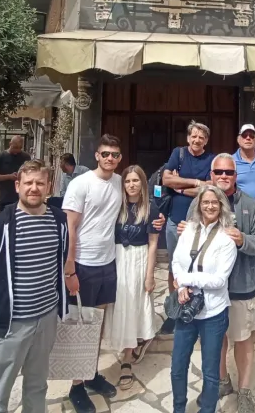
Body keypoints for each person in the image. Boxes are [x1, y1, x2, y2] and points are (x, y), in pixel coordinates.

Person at [0, 159, 69, 413]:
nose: (34, 188)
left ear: (49, 187)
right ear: (17, 186)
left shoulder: (59, 220)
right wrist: (0, 299)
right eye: (28, 183)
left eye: (40, 183)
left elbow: (59, 261)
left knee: (37, 385)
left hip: (46, 319)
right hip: (11, 323)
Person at [176, 154, 255, 413]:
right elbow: (185, 244)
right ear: (212, 174)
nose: (223, 177)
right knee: (214, 341)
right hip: (207, 291)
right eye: (218, 172)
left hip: (240, 287)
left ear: (235, 175)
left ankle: (244, 390)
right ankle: (222, 381)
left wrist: (243, 240)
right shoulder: (198, 204)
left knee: (242, 338)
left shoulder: (250, 205)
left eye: (229, 172)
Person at [62, 134, 124, 413]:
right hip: (84, 264)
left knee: (96, 324)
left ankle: (89, 374)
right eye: (105, 154)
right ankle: (76, 386)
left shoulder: (120, 183)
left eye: (115, 154)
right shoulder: (81, 184)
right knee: (82, 326)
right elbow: (70, 228)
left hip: (107, 262)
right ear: (97, 156)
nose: (110, 158)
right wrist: (69, 266)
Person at [170, 185, 238, 413]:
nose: (210, 206)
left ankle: (207, 409)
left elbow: (219, 280)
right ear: (199, 205)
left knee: (210, 370)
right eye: (205, 202)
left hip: (213, 312)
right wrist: (181, 285)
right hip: (186, 306)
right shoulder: (188, 230)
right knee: (178, 366)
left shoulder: (226, 237)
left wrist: (185, 279)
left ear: (221, 206)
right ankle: (178, 408)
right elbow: (177, 261)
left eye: (215, 202)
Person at [103, 165, 160, 389]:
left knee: (134, 304)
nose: (131, 185)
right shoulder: (117, 205)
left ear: (142, 183)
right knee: (120, 306)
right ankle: (132, 340)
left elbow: (153, 244)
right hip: (117, 258)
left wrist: (149, 275)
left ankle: (126, 360)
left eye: (136, 180)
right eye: (127, 181)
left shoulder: (150, 208)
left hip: (138, 258)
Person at [160, 120, 215, 334]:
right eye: (194, 136)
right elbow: (166, 179)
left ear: (206, 141)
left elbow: (210, 188)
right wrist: (195, 183)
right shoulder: (179, 153)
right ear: (188, 137)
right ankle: (174, 312)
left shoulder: (210, 159)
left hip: (199, 225)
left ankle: (197, 310)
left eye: (201, 137)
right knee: (175, 268)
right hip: (175, 221)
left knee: (200, 267)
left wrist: (180, 185)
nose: (197, 140)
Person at [0, 135, 31, 211]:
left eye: (19, 148)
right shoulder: (1, 157)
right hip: (5, 197)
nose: (17, 150)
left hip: (22, 197)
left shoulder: (26, 157)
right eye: (15, 147)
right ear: (10, 144)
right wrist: (8, 177)